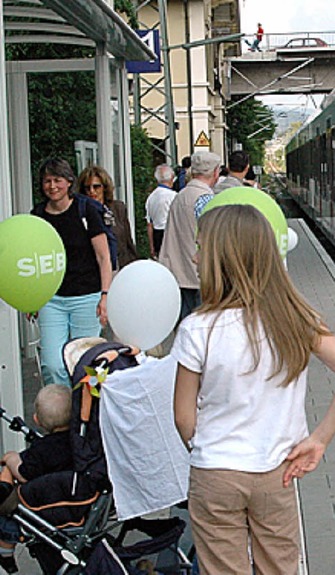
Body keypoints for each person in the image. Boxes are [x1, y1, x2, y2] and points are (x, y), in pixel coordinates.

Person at [172, 204, 335, 575]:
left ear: (221, 259)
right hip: (276, 472)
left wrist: (209, 450)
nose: (195, 257)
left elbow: (184, 417)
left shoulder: (197, 329)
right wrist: (319, 439)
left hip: (216, 472)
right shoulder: (293, 317)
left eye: (201, 248)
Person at [31, 158, 112, 386]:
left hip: (87, 296)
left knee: (85, 363)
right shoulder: (38, 215)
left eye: (57, 180)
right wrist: (32, 297)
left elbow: (104, 257)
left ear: (69, 182)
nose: (52, 186)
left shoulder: (85, 210)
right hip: (52, 299)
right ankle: (62, 414)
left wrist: (105, 295)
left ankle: (86, 414)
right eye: (47, 181)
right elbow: (34, 259)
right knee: (52, 364)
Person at [0, 385, 73, 573]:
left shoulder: (42, 450)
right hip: (75, 502)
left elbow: (24, 473)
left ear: (37, 420)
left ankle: (5, 549)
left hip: (44, 506)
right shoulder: (80, 445)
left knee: (9, 510)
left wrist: (10, 458)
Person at [159, 150, 221, 322]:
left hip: (177, 274)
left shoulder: (180, 195)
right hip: (198, 277)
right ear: (215, 172)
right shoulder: (206, 199)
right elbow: (211, 237)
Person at [77, 165, 138, 269]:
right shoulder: (80, 212)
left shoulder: (118, 208)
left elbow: (128, 242)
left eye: (96, 186)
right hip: (95, 270)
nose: (92, 191)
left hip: (121, 267)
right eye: (87, 188)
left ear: (104, 187)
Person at [145, 164, 177, 259]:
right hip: (170, 233)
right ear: (171, 178)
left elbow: (149, 224)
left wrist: (152, 246)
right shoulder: (174, 196)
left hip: (157, 233)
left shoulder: (151, 197)